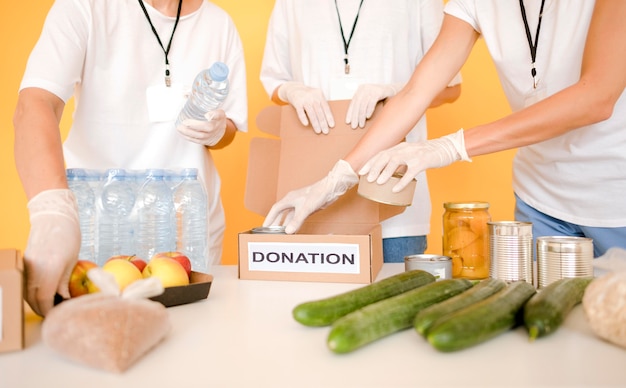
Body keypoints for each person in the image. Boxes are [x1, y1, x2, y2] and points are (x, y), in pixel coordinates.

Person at [263, 0, 626, 258]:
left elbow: (596, 97)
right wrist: (336, 178)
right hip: (540, 200)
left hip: (615, 197)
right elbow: (416, 92)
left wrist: (448, 147)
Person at [13, 0, 248, 317]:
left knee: (194, 347)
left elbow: (229, 129)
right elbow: (37, 103)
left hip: (186, 229)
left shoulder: (219, 24)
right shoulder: (85, 7)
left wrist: (218, 130)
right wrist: (50, 210)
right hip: (97, 225)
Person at [259, 0, 461, 262]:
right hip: (314, 199)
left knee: (395, 301)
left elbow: (451, 86)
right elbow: (274, 80)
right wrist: (290, 90)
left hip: (393, 202)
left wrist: (397, 90)